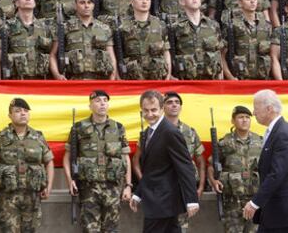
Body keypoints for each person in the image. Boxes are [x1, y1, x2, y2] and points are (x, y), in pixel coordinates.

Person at [133, 91, 205, 233]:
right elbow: (152, 169)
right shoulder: (148, 132)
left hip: (163, 201)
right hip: (158, 201)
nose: (149, 114)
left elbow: (185, 166)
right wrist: (138, 193)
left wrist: (191, 199)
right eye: (145, 110)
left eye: (154, 110)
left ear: (161, 109)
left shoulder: (170, 132)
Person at [62, 90, 132, 233]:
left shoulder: (118, 128)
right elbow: (67, 157)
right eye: (98, 101)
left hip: (113, 188)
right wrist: (70, 180)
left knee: (111, 229)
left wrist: (128, 185)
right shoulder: (79, 128)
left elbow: (125, 158)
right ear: (90, 106)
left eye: (105, 101)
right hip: (88, 188)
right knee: (90, 229)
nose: (102, 104)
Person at [243, 89, 288, 233]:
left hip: (286, 213)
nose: (253, 113)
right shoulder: (275, 131)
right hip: (275, 213)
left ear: (269, 109)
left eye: (256, 108)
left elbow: (277, 173)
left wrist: (255, 203)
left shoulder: (283, 134)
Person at [0, 98, 54, 232]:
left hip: (33, 196)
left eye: (25, 111)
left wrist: (49, 186)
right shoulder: (1, 138)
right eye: (18, 111)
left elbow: (49, 161)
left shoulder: (37, 137)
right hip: (8, 198)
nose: (23, 113)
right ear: (10, 116)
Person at [208, 105, 263, 233]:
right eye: (240, 117)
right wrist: (213, 181)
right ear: (233, 121)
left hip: (255, 199)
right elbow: (211, 165)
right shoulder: (224, 143)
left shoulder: (260, 142)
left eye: (247, 117)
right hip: (232, 201)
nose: (244, 120)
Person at [49, 0, 117, 80]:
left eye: (89, 2)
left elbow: (111, 56)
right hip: (74, 81)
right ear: (75, 5)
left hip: (100, 80)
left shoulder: (104, 29)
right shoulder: (64, 28)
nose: (86, 6)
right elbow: (53, 54)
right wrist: (57, 75)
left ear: (93, 5)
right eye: (82, 2)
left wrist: (112, 77)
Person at [0, 0, 53, 80]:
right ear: (16, 3)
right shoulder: (7, 27)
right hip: (16, 82)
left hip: (41, 81)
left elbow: (52, 56)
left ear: (35, 4)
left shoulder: (45, 27)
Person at [172, 0, 224, 80]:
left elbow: (219, 53)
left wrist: (221, 79)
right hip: (187, 82)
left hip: (211, 81)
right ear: (182, 1)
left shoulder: (213, 25)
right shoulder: (175, 27)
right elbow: (171, 55)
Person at [118, 0, 171, 80]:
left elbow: (166, 51)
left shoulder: (160, 25)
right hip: (133, 78)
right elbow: (119, 53)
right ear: (132, 2)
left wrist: (169, 73)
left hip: (157, 77)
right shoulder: (123, 26)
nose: (144, 1)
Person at [222, 0, 272, 80]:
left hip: (263, 79)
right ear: (240, 3)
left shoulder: (266, 25)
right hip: (240, 79)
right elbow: (222, 55)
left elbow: (272, 54)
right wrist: (230, 77)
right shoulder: (232, 25)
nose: (252, 1)